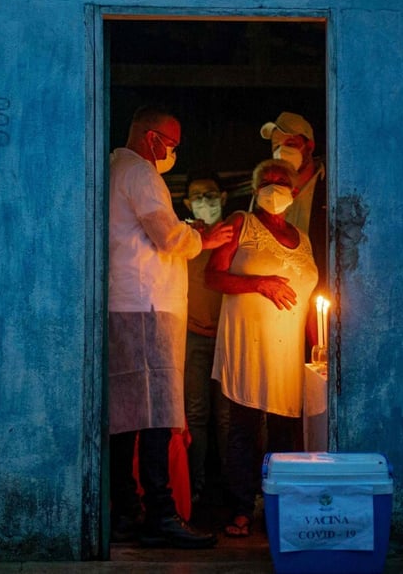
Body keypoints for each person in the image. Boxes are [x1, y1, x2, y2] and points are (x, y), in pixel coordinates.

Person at [108, 104, 232, 549]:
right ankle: (161, 514)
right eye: (172, 145)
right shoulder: (142, 173)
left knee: (125, 416)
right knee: (157, 414)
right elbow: (168, 236)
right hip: (149, 306)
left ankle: (126, 511)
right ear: (153, 139)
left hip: (124, 303)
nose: (173, 153)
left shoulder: (113, 167)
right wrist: (204, 237)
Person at [205, 159, 319, 538]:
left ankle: (280, 509)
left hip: (288, 350)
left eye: (280, 181)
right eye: (265, 181)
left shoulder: (303, 239)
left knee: (285, 430)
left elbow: (308, 299)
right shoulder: (242, 223)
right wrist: (259, 284)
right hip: (249, 344)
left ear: (294, 191)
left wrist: (317, 344)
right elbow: (212, 276)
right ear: (254, 190)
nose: (273, 187)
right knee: (244, 426)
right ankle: (240, 508)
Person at [181, 172, 231, 509]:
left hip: (229, 337)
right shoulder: (183, 238)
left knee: (228, 418)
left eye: (210, 194)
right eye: (197, 196)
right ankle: (194, 489)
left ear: (223, 197)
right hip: (192, 335)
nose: (204, 201)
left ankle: (232, 490)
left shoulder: (236, 233)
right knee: (195, 414)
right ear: (187, 203)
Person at [260, 112, 328, 350]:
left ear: (309, 146)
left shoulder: (331, 185)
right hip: (278, 302)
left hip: (320, 299)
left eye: (290, 144)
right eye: (276, 146)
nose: (282, 152)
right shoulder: (267, 193)